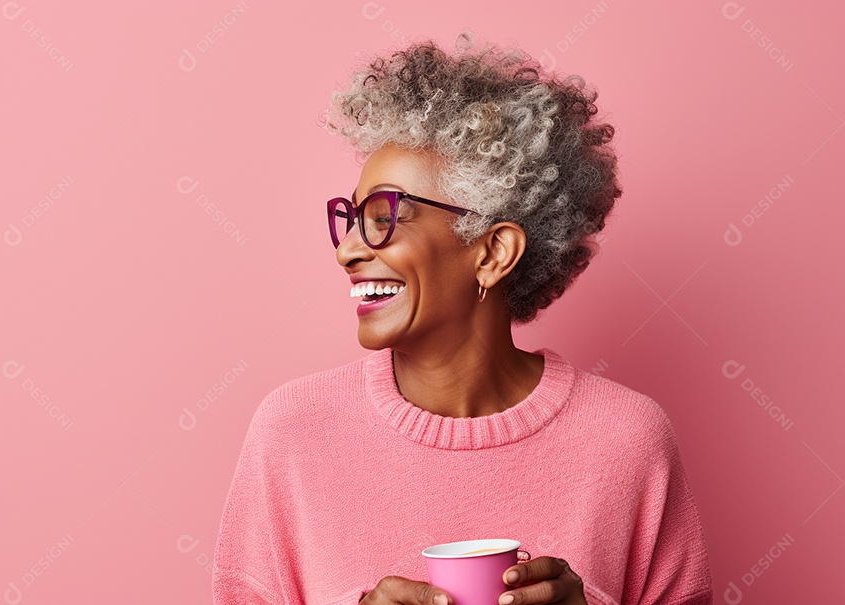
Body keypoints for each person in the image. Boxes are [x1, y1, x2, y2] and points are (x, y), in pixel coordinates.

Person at [213, 33, 712, 605]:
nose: (347, 250)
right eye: (351, 219)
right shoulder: (293, 433)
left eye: (384, 216)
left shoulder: (628, 440)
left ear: (493, 252)